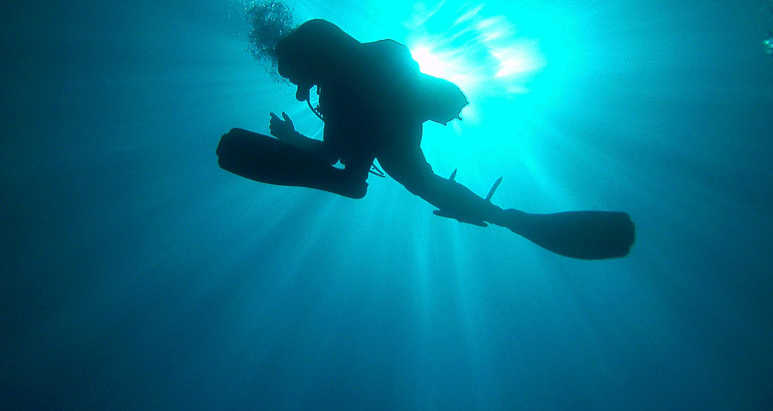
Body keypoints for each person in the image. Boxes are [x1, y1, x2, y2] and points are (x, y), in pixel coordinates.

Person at [217, 19, 635, 257]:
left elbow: (331, 152)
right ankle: (510, 218)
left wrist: (293, 140)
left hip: (376, 118)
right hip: (384, 120)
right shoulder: (364, 64)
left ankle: (509, 218)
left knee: (370, 178)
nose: (297, 91)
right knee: (411, 181)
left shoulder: (348, 84)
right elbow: (339, 143)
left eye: (296, 78)